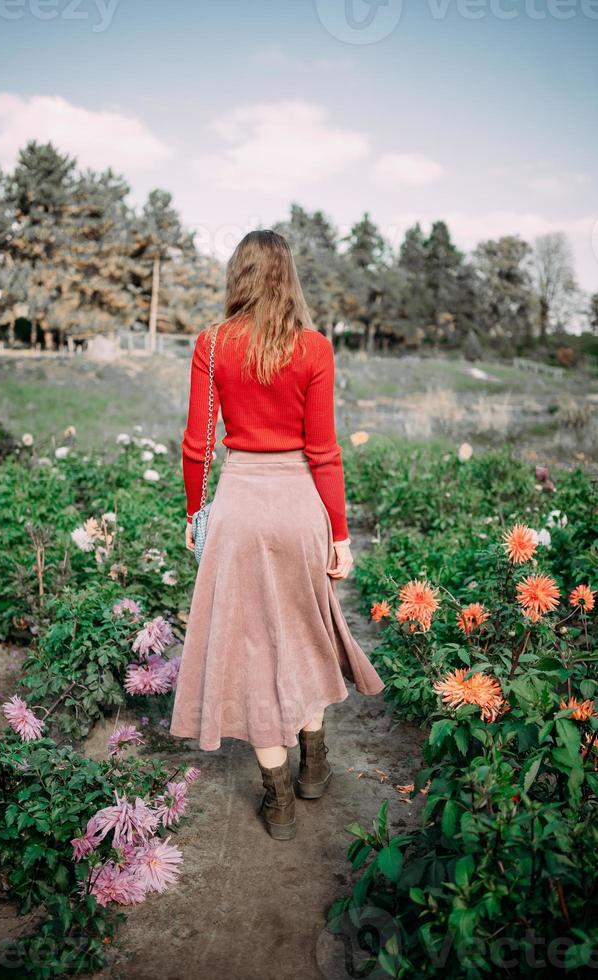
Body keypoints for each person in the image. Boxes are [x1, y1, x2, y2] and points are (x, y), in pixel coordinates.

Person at [170, 230, 384, 840]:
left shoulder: (211, 345)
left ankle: (279, 800)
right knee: (307, 630)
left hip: (239, 508)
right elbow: (324, 451)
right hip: (299, 506)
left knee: (251, 647)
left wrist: (194, 514)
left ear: (238, 276)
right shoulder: (314, 348)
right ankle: (315, 762)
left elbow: (197, 445)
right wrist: (340, 533)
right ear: (288, 277)